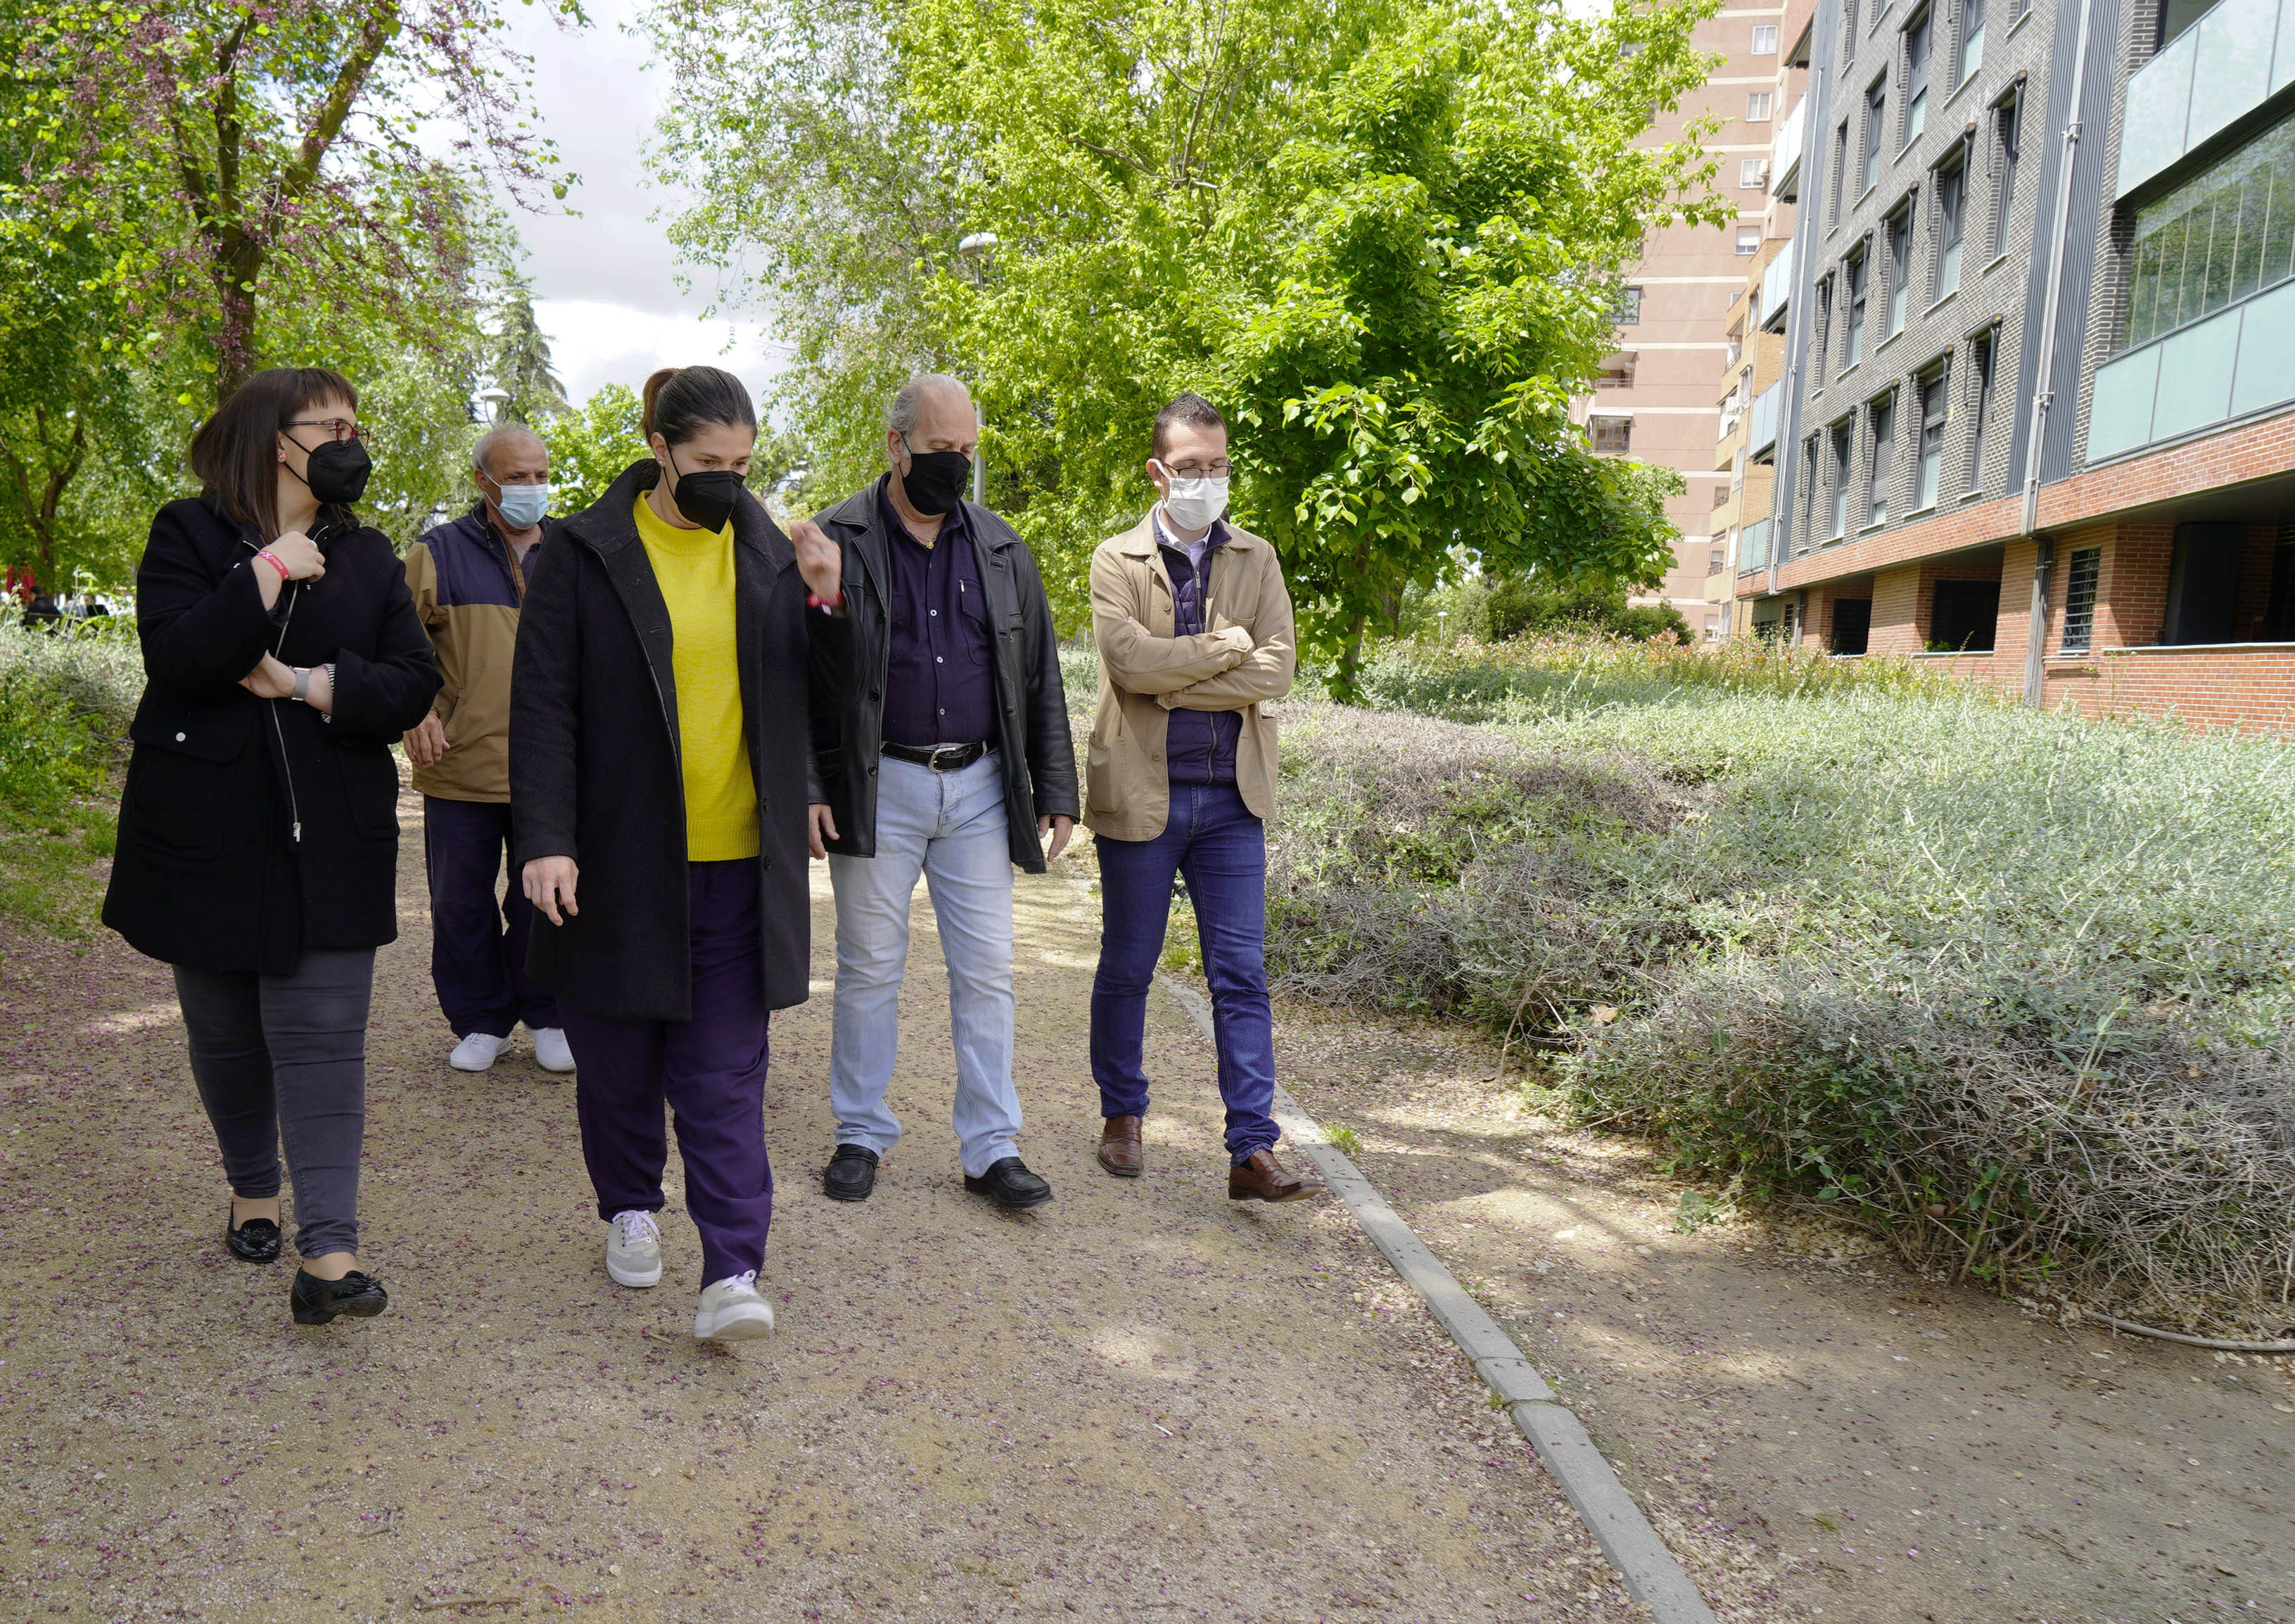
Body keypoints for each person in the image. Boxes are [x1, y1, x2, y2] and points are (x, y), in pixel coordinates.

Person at [511, 364, 852, 1343]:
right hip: (618, 866)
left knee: (722, 1078)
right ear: (658, 448)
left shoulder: (773, 554)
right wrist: (546, 839)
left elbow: (832, 701)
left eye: (741, 465)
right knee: (618, 1067)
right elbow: (543, 706)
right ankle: (629, 1204)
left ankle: (733, 1270)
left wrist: (829, 601)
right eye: (708, 462)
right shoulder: (583, 553)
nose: (727, 481)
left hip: (741, 870)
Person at [101, 366, 442, 1324]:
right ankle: (253, 1190)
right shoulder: (187, 533)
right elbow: (178, 659)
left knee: (325, 1040)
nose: (348, 442)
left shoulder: (369, 555)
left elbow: (412, 682)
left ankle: (328, 1256)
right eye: (328, 425)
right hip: (203, 827)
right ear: (272, 438)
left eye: (354, 425)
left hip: (331, 826)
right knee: (224, 1036)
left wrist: (305, 684)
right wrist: (268, 571)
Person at [807, 374, 1077, 1211]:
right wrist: (812, 783)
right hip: (877, 783)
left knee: (988, 971)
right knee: (868, 968)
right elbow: (802, 674)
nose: (955, 465)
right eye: (938, 449)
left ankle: (992, 1147)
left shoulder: (1001, 546)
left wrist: (1055, 783)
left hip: (981, 785)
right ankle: (860, 1133)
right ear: (896, 445)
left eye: (966, 450)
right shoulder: (838, 537)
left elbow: (1038, 674)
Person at [1083, 393, 1324, 1203]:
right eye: (1190, 467)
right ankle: (1122, 1114)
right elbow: (1128, 663)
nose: (1206, 479)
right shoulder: (1115, 559)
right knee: (1128, 965)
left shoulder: (1257, 557)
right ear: (1158, 471)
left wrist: (1173, 679)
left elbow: (1277, 670)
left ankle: (1251, 1148)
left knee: (1241, 975)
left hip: (1231, 802)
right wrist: (1225, 648)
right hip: (1141, 796)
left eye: (1217, 465)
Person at [402, 425, 571, 1075]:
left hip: (551, 770)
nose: (532, 488)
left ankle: (549, 1013)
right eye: (517, 477)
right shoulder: (437, 552)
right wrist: (417, 709)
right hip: (460, 765)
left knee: (546, 901)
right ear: (483, 480)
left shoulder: (574, 550)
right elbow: (396, 645)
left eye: (540, 476)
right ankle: (481, 1020)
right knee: (459, 903)